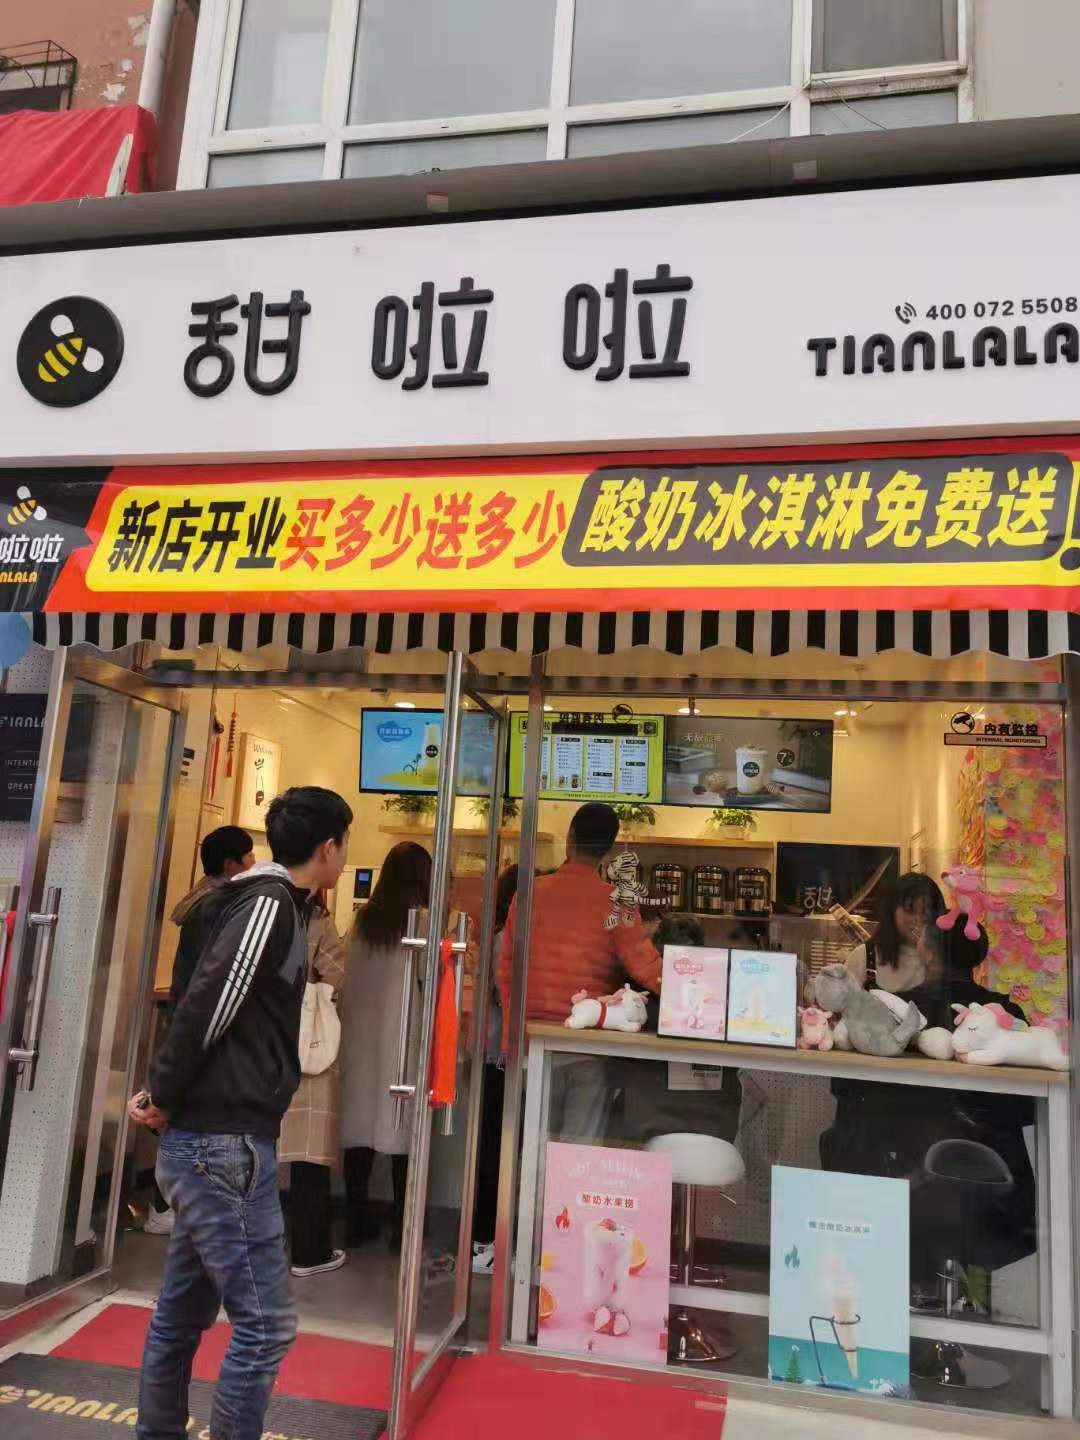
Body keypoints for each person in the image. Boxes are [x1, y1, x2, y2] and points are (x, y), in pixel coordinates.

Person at [129, 786, 352, 1440]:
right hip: (221, 1144)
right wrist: (163, 1094)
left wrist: (167, 1094)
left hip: (213, 1138)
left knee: (182, 1314)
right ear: (329, 847)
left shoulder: (267, 901)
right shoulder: (269, 904)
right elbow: (209, 1003)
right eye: (344, 845)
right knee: (266, 1324)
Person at [826, 872, 1035, 1295]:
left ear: (926, 950)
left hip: (906, 1169)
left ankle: (921, 1287)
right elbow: (1024, 1104)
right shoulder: (1007, 1015)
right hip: (995, 1180)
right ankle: (966, 1295)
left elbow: (848, 1087)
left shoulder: (902, 1013)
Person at [497, 802, 661, 1140]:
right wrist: (701, 992)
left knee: (533, 1148)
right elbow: (647, 969)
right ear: (608, 850)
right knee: (577, 1152)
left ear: (570, 837)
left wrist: (514, 1035)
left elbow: (506, 969)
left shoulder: (529, 894)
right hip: (587, 1046)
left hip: (533, 1042)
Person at [145, 826, 256, 1236]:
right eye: (249, 856)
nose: (254, 863)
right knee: (186, 1119)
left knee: (184, 1115)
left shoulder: (202, 902)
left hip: (189, 1023)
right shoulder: (217, 908)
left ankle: (169, 1204)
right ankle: (165, 1205)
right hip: (198, 1028)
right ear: (231, 864)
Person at [340, 841, 432, 1250]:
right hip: (402, 1036)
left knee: (359, 1126)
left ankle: (355, 1219)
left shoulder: (363, 919)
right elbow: (431, 979)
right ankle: (402, 1227)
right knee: (402, 1130)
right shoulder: (422, 921)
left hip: (360, 1035)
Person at [278, 892, 347, 1277]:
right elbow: (336, 976)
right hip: (307, 1046)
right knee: (308, 1155)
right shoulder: (317, 922)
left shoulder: (258, 913)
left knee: (259, 1149)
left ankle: (258, 1244)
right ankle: (309, 1251)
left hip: (261, 1047)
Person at [470, 862, 520, 1276]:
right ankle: (487, 1241)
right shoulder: (510, 939)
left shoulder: (494, 936)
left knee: (490, 1148)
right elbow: (507, 997)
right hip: (503, 1054)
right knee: (498, 1150)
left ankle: (483, 1238)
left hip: (492, 1052)